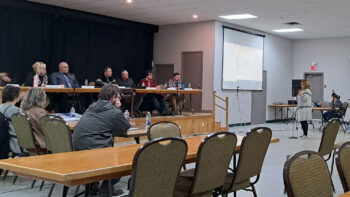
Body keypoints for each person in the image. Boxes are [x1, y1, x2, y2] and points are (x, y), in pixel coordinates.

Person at [72, 84, 131, 196]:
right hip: (95, 154)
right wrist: (117, 108)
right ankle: (105, 189)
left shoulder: (92, 107)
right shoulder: (114, 111)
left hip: (77, 152)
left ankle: (93, 185)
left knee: (102, 145)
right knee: (122, 159)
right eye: (118, 97)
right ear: (113, 97)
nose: (119, 99)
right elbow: (124, 127)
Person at [0, 85, 23, 155]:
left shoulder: (0, 107)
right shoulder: (17, 112)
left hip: (4, 143)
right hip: (14, 144)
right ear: (16, 97)